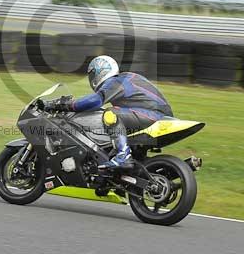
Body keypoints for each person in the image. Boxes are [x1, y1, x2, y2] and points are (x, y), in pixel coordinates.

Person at [42, 55, 173, 170]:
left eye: (92, 75)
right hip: (154, 115)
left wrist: (65, 105)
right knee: (110, 116)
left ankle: (123, 156)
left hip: (154, 115)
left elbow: (95, 100)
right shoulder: (125, 79)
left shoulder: (116, 81)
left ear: (100, 71)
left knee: (111, 114)